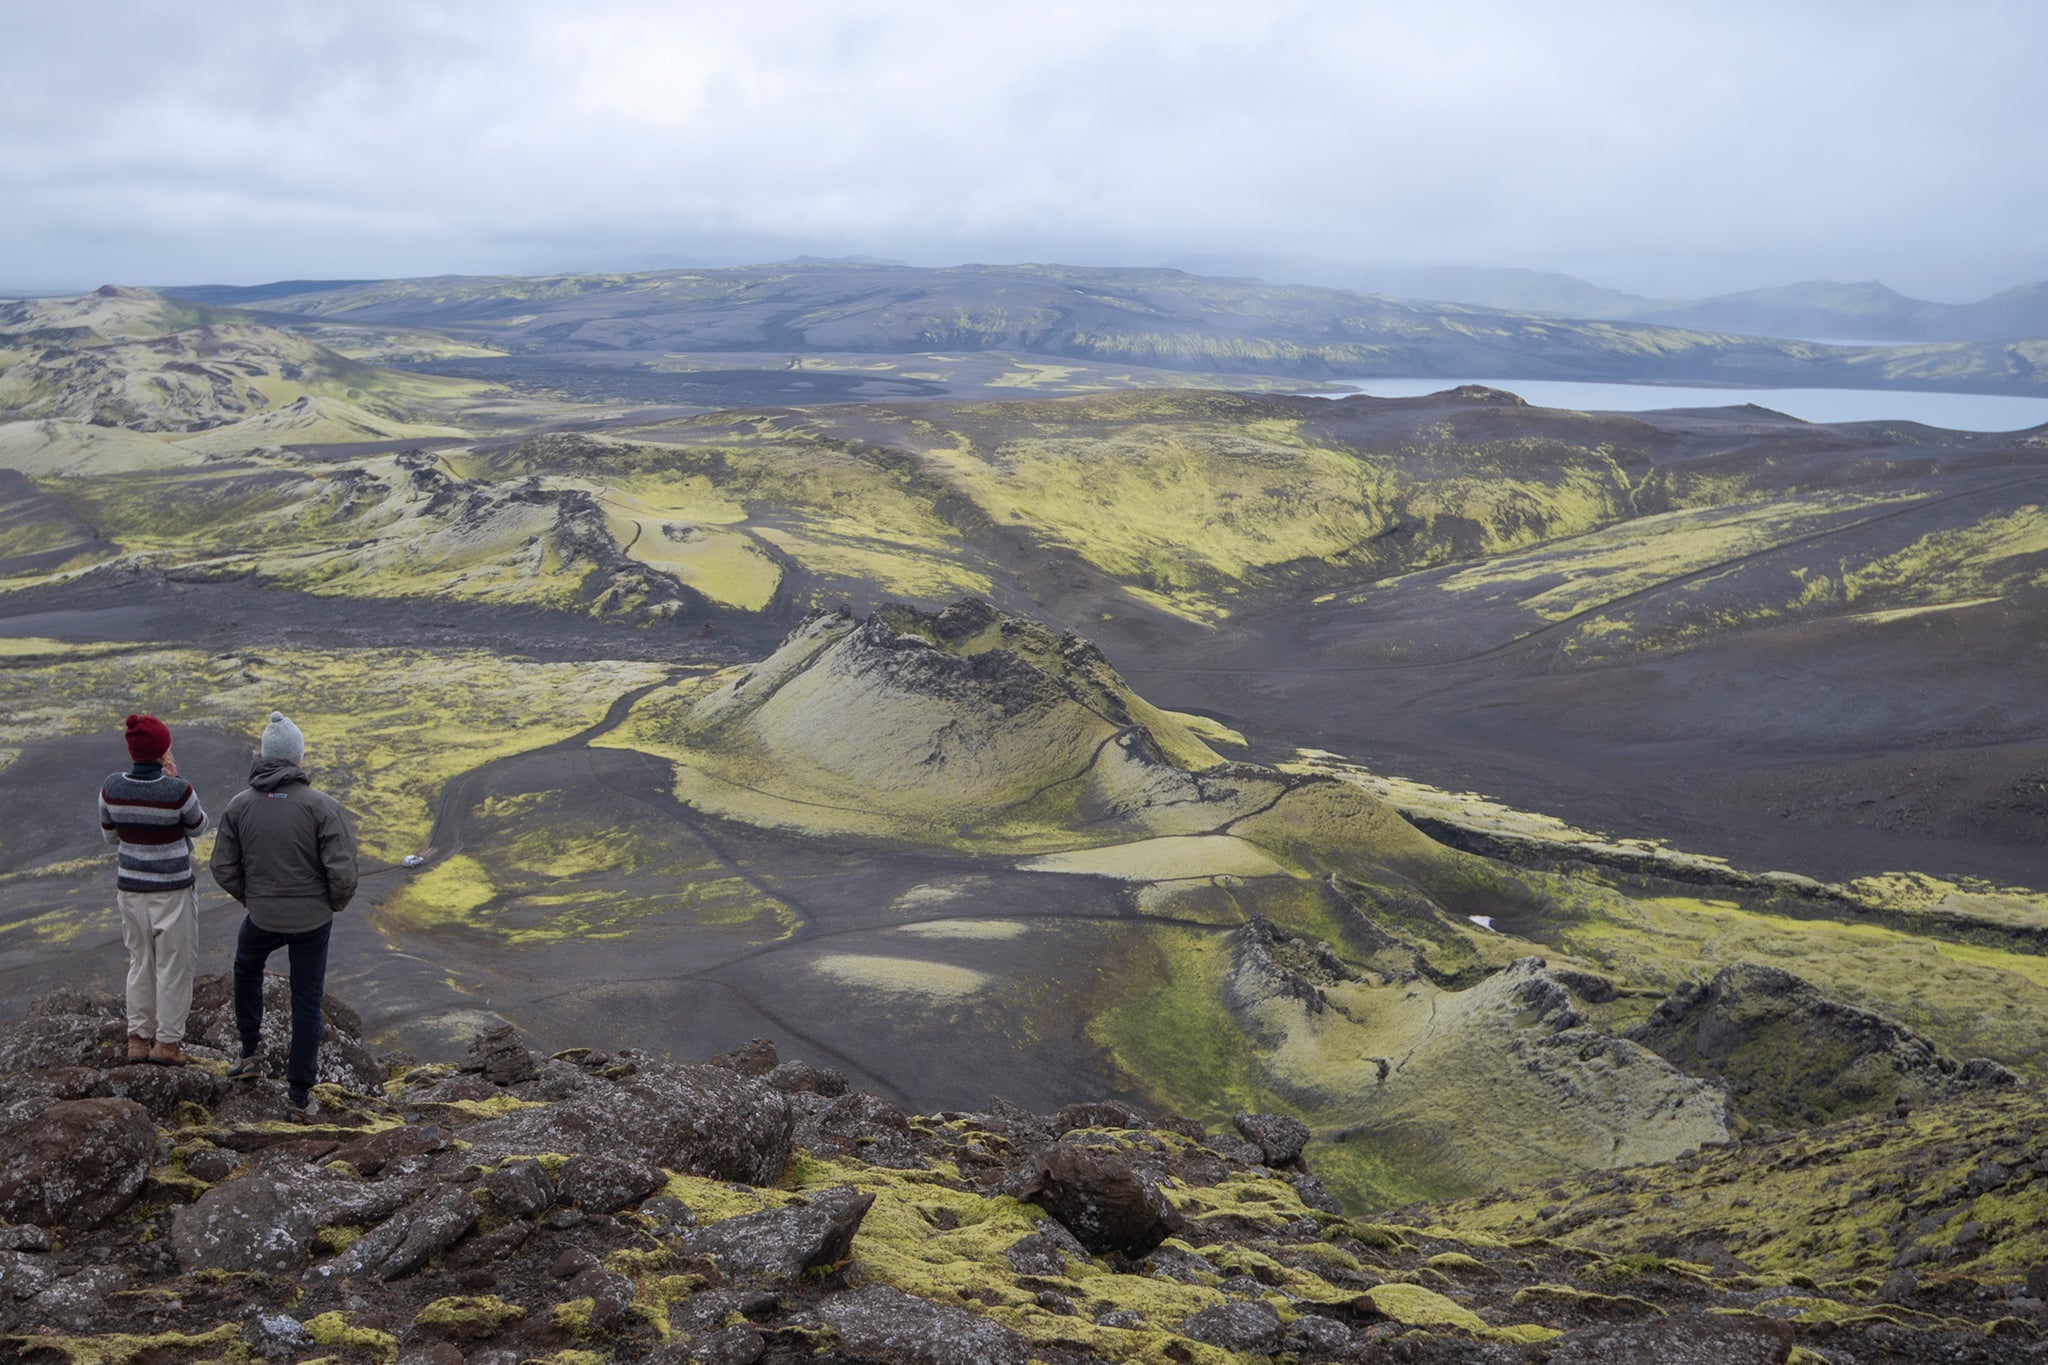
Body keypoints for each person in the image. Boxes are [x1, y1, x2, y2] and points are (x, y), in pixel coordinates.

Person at [209, 711, 359, 1115]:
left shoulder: (239, 806)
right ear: (297, 758)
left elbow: (222, 867)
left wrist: (253, 899)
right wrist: (330, 904)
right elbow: (342, 870)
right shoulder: (321, 806)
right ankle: (298, 1094)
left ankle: (249, 1053)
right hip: (313, 920)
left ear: (265, 756)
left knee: (246, 967)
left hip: (262, 917)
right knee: (306, 998)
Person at [99, 714, 207, 1065]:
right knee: (174, 965)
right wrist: (176, 781)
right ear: (163, 752)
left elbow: (110, 835)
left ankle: (137, 1039)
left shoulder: (111, 788)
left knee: (139, 961)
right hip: (172, 890)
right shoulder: (178, 790)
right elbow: (199, 825)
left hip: (131, 889)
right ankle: (168, 1044)